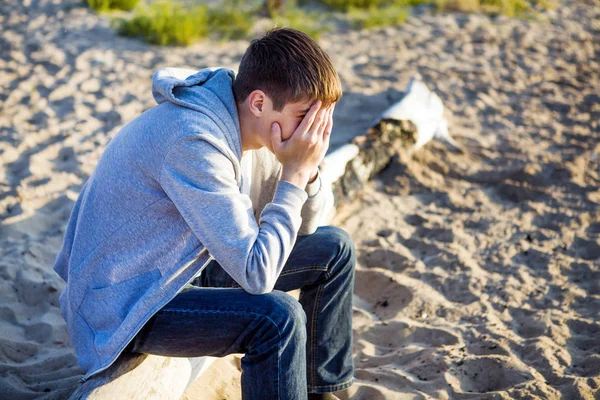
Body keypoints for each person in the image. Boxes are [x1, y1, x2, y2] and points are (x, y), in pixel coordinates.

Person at [52, 27, 355, 400]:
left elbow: (306, 225)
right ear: (258, 102)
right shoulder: (194, 141)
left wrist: (307, 169)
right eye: (305, 117)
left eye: (321, 120)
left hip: (182, 268)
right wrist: (292, 176)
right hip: (130, 302)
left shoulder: (251, 123)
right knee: (277, 319)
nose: (313, 133)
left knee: (335, 249)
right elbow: (256, 274)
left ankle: (321, 391)